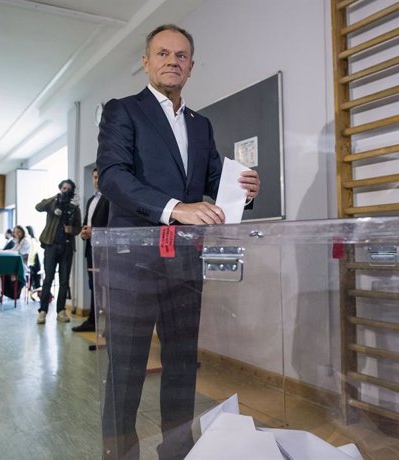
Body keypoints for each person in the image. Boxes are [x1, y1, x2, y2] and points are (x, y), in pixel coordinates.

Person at [96, 24, 260, 459]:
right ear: (146, 62)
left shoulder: (200, 125)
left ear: (191, 66)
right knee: (127, 368)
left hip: (184, 260)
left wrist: (241, 189)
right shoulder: (122, 111)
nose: (173, 61)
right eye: (163, 53)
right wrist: (175, 208)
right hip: (133, 261)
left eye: (182, 55)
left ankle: (177, 450)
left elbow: (210, 181)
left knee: (183, 364)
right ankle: (119, 454)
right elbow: (113, 177)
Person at [35, 179, 82, 324]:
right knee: (48, 278)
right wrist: (55, 197)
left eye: (68, 188)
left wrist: (72, 230)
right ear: (60, 189)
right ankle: (42, 311)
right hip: (51, 245)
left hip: (67, 247)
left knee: (64, 280)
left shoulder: (75, 208)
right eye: (63, 188)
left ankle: (61, 311)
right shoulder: (53, 203)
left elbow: (78, 227)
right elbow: (38, 207)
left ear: (72, 191)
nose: (65, 190)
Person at [72, 168, 109, 333]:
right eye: (94, 177)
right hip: (91, 249)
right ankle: (93, 322)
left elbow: (113, 225)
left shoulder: (111, 199)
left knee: (105, 288)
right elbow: (87, 223)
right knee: (93, 286)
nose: (97, 180)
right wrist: (84, 232)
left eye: (99, 177)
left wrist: (95, 232)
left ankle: (106, 328)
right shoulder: (90, 200)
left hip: (106, 250)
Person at [25, 225, 43, 301]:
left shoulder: (31, 241)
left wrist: (28, 264)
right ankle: (37, 295)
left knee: (35, 282)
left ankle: (38, 295)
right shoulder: (34, 240)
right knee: (36, 282)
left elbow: (31, 254)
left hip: (33, 264)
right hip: (36, 264)